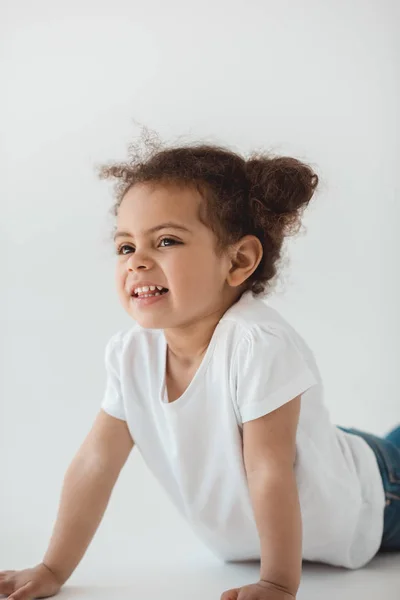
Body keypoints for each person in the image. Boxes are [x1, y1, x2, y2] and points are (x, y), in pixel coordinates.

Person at [1, 131, 399, 600]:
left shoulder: (255, 344)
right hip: (330, 458)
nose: (137, 262)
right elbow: (96, 462)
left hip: (377, 493)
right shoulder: (132, 355)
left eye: (165, 241)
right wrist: (52, 567)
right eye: (126, 247)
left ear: (239, 260)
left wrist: (277, 583)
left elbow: (271, 469)